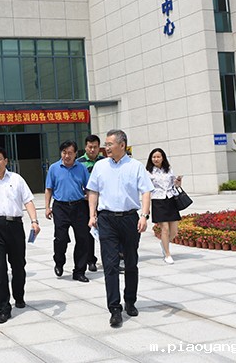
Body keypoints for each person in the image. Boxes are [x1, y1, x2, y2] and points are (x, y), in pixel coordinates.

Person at [87, 130, 154, 328]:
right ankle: (114, 309)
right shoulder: (100, 166)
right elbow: (93, 191)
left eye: (109, 144)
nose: (106, 148)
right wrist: (92, 215)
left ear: (122, 145)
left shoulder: (135, 166)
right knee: (110, 265)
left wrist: (144, 215)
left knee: (131, 262)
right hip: (106, 219)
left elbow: (146, 192)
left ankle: (130, 301)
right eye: (106, 144)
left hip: (129, 219)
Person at [0, 146, 40, 324]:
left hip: (14, 226)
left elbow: (28, 201)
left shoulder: (17, 179)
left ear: (6, 161)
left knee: (18, 266)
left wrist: (34, 221)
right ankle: (3, 308)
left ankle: (19, 295)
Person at [45, 140, 90, 282]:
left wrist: (92, 209)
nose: (67, 156)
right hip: (60, 207)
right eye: (64, 152)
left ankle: (79, 271)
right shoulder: (54, 168)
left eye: (70, 153)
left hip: (79, 207)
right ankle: (59, 262)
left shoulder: (81, 168)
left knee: (82, 239)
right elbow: (49, 189)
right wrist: (47, 207)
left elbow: (89, 189)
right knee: (61, 238)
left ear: (76, 153)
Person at [146, 148, 182, 264]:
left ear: (163, 158)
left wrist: (178, 182)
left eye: (158, 157)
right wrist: (146, 207)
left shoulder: (169, 169)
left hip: (170, 199)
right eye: (154, 157)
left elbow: (175, 185)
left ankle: (164, 243)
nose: (156, 159)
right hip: (158, 201)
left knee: (174, 231)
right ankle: (167, 254)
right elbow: (146, 190)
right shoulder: (148, 172)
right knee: (165, 229)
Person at [76, 134, 105, 272]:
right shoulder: (79, 163)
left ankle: (110, 258)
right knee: (88, 232)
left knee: (106, 231)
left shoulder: (105, 162)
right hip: (85, 203)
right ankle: (90, 260)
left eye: (95, 147)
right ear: (85, 147)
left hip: (103, 201)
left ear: (99, 147)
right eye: (90, 147)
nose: (92, 150)